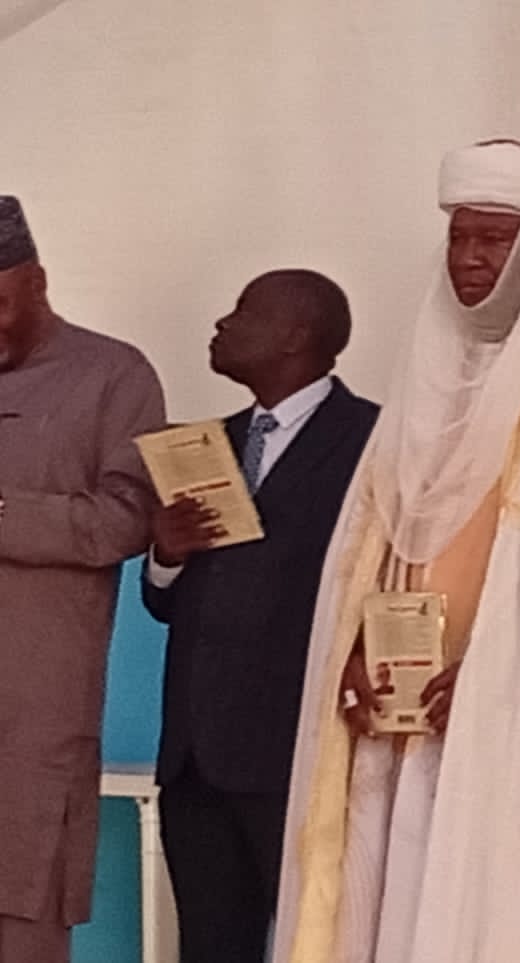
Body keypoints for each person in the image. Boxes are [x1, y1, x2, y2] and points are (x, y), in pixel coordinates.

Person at [273, 135, 520, 963]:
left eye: (494, 239)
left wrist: (498, 663)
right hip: (395, 699)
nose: (470, 258)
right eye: (460, 237)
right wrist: (355, 646)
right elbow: (376, 537)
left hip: (512, 702)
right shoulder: (431, 368)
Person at [140, 269, 377, 963]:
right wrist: (166, 554)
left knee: (320, 945)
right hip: (194, 759)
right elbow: (163, 602)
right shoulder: (211, 442)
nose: (222, 324)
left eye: (244, 311)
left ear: (296, 336)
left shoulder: (373, 441)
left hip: (298, 752)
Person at [0, 195, 165, 962]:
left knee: (23, 915)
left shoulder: (112, 374)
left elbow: (125, 520)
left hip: (32, 719)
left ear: (37, 282)